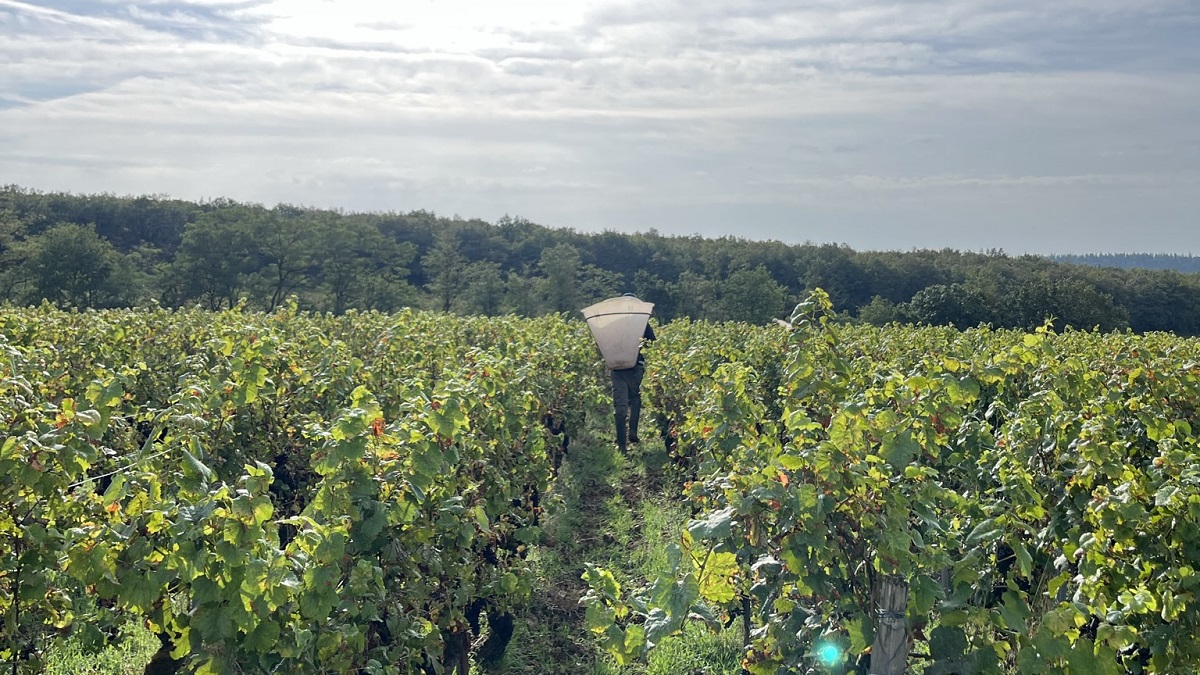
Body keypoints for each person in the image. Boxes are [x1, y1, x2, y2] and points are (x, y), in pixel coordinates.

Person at [611, 303, 655, 453]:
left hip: (617, 367)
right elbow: (652, 342)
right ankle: (632, 433)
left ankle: (622, 445)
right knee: (634, 397)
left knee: (620, 403)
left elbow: (603, 342)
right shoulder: (641, 322)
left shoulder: (613, 322)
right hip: (635, 366)